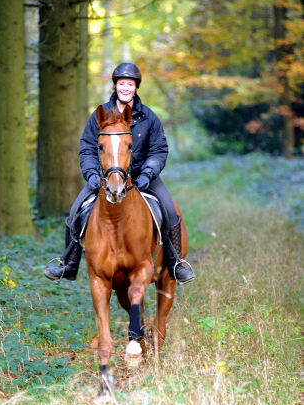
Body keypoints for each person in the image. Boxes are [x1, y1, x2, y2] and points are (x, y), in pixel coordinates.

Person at [43, 62, 194, 284]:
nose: (125, 88)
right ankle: (68, 263)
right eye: (121, 83)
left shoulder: (149, 117)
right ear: (115, 86)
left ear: (136, 87)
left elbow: (159, 149)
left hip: (143, 177)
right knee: (76, 211)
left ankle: (175, 264)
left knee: (170, 212)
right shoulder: (101, 114)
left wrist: (147, 173)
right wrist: (92, 174)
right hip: (105, 178)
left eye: (130, 84)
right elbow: (87, 148)